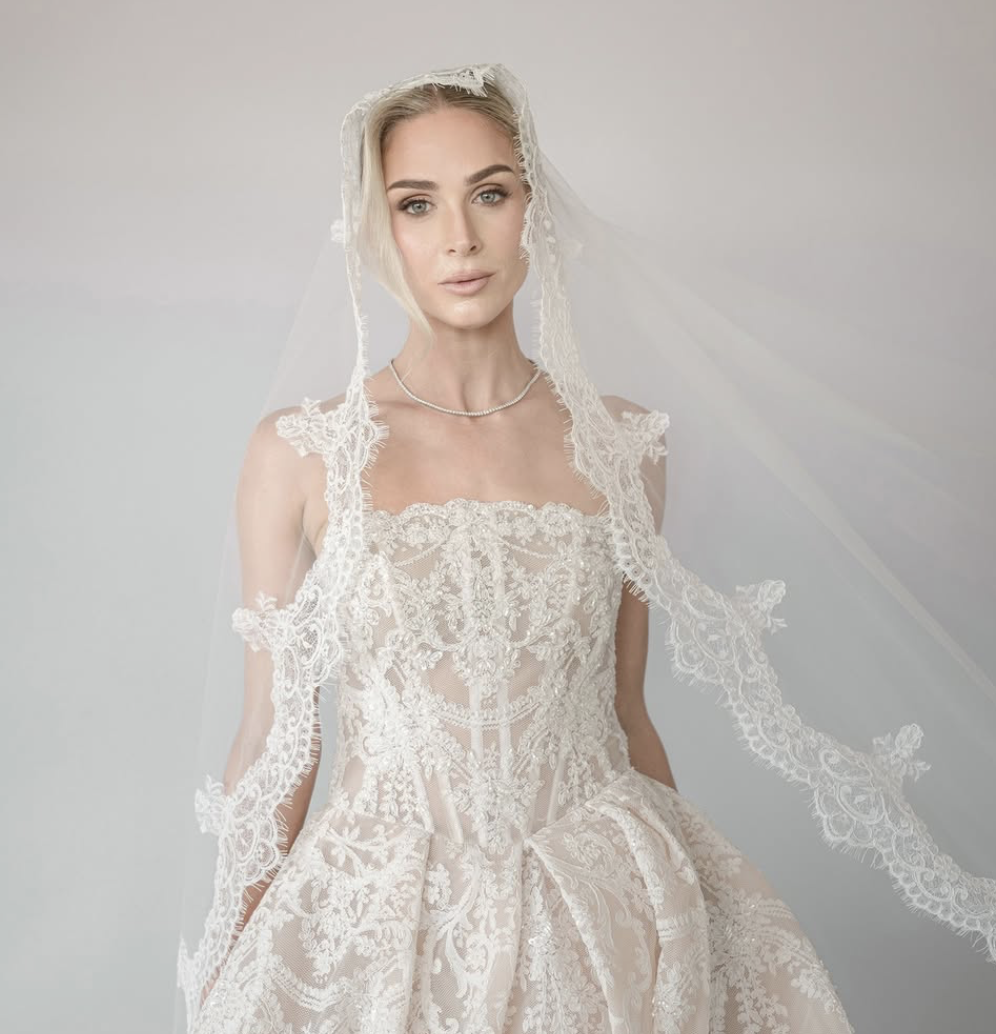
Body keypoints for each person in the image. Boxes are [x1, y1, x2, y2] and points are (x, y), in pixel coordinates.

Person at [176, 63, 994, 1033]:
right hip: (377, 908)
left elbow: (623, 707)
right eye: (416, 203)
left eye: (490, 192)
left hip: (600, 892)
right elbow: (273, 739)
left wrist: (694, 927)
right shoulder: (302, 451)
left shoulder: (624, 444)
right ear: (375, 227)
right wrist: (238, 943)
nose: (461, 238)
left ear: (534, 205)